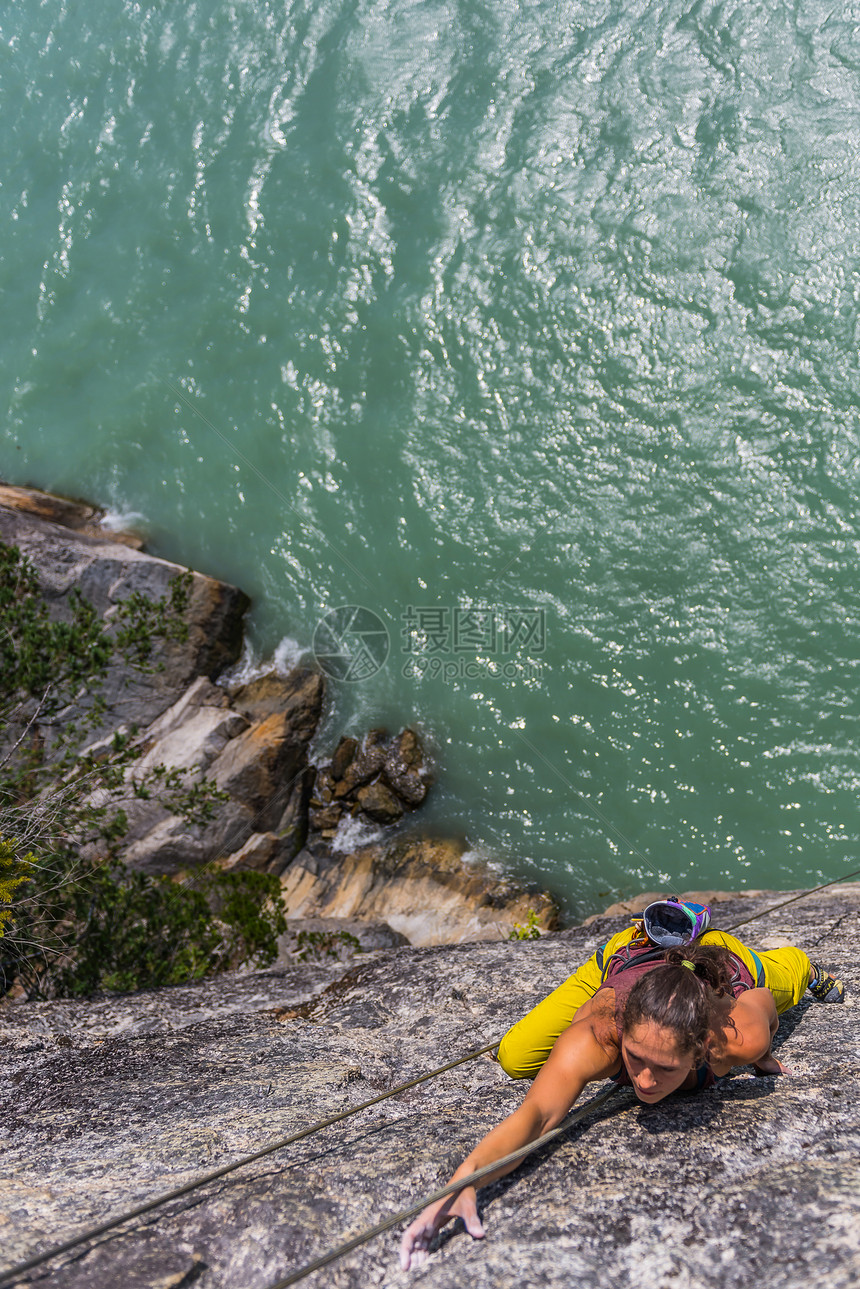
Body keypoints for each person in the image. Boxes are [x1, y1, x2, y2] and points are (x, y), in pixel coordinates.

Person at [400, 907, 844, 1271]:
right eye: (635, 1057)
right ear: (621, 1033)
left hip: (724, 957)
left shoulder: (734, 1037)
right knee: (516, 1056)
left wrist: (760, 1049)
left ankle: (800, 963)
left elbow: (763, 1003)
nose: (644, 1081)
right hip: (628, 958)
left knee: (790, 976)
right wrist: (465, 1179)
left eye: (664, 1067)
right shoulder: (598, 1035)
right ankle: (651, 934)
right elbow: (536, 1115)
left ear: (702, 1048)